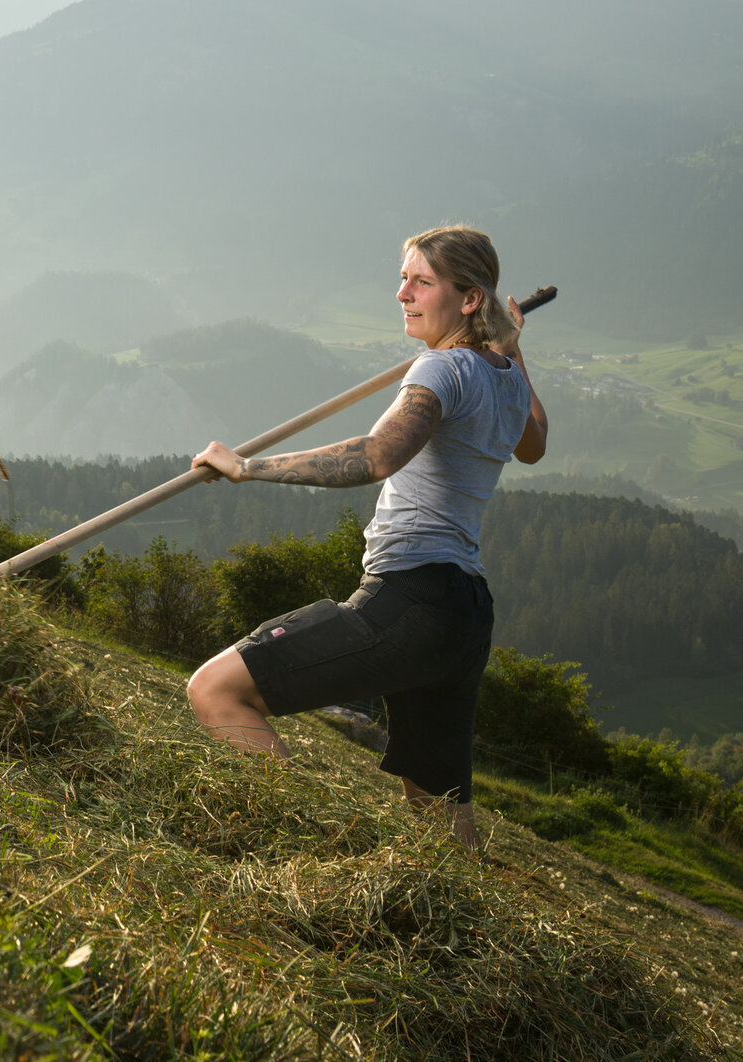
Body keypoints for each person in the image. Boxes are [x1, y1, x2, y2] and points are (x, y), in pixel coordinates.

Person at [184, 225, 547, 848]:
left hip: (412, 599)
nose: (403, 292)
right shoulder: (505, 373)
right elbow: (534, 443)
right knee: (440, 814)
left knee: (216, 689)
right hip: (465, 616)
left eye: (422, 282)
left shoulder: (442, 367)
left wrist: (249, 467)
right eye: (403, 278)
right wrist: (514, 351)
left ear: (468, 299)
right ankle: (456, 926)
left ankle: (304, 854)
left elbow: (376, 457)